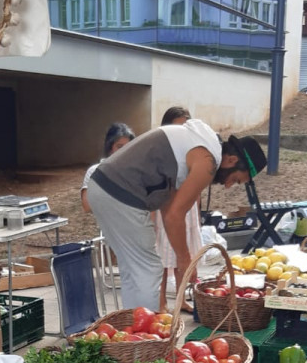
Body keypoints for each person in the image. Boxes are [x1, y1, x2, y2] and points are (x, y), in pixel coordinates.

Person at [86, 121, 264, 311]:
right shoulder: (207, 161)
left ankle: (133, 327)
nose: (228, 185)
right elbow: (174, 216)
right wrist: (185, 259)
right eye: (235, 179)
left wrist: (184, 257)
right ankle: (147, 333)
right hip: (121, 193)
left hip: (101, 187)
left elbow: (168, 206)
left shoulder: (191, 142)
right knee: (150, 269)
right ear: (231, 161)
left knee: (134, 269)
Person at [152, 106, 202, 312]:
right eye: (178, 126)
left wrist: (197, 209)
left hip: (187, 208)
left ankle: (181, 300)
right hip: (167, 207)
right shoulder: (161, 150)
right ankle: (161, 302)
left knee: (186, 251)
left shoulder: (193, 151)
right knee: (165, 257)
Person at [80, 122, 135, 214]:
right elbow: (87, 206)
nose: (124, 150)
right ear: (110, 147)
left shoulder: (136, 171)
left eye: (128, 146)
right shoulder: (95, 171)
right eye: (119, 146)